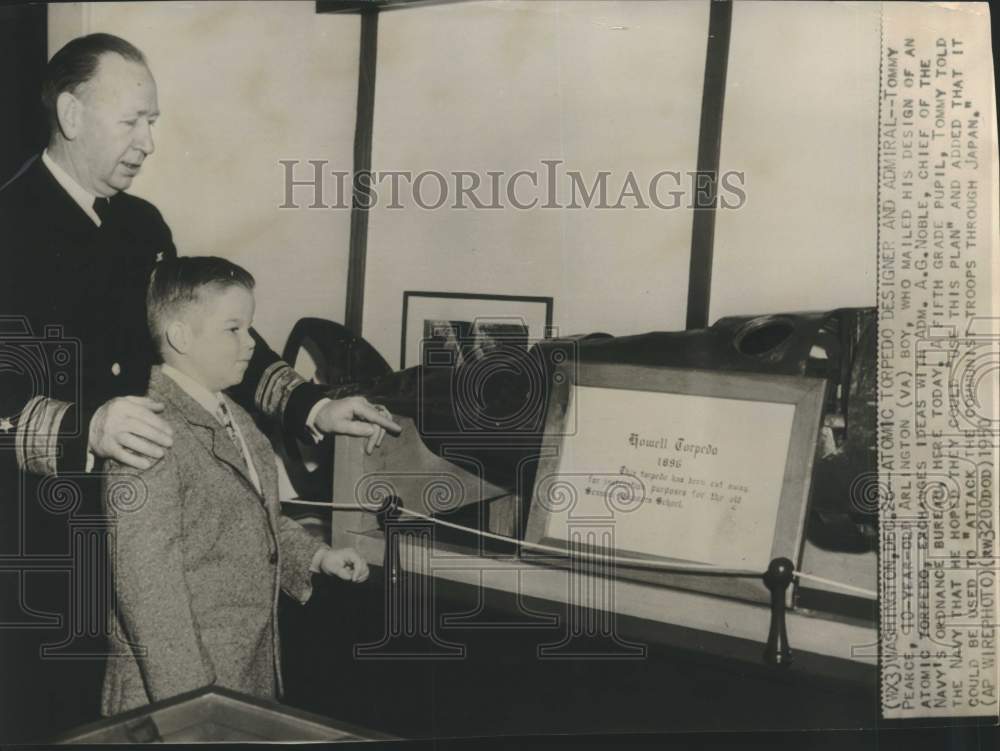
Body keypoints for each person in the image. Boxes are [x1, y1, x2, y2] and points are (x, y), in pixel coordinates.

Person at [0, 33, 399, 741]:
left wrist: (313, 403)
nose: (149, 141)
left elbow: (206, 333)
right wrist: (82, 427)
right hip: (47, 550)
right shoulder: (10, 223)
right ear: (70, 112)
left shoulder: (141, 226)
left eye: (153, 121)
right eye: (132, 121)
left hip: (157, 530)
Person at [102, 257, 370, 715]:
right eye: (234, 329)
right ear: (180, 336)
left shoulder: (236, 416)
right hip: (177, 699)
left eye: (250, 328)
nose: (251, 344)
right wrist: (194, 708)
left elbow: (256, 519)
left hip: (241, 679)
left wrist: (316, 557)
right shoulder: (149, 433)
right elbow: (151, 598)